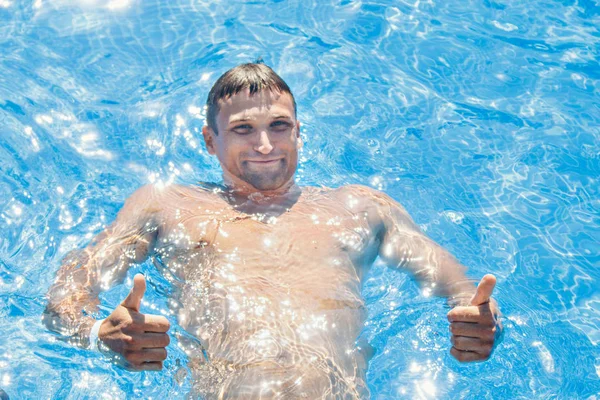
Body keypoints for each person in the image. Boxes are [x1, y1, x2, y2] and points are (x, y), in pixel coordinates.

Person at [43, 63, 501, 399]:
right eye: (243, 129)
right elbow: (67, 295)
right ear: (210, 140)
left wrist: (481, 325)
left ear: (298, 131)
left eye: (279, 126)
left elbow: (462, 290)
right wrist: (98, 333)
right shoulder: (165, 205)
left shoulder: (361, 207)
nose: (265, 145)